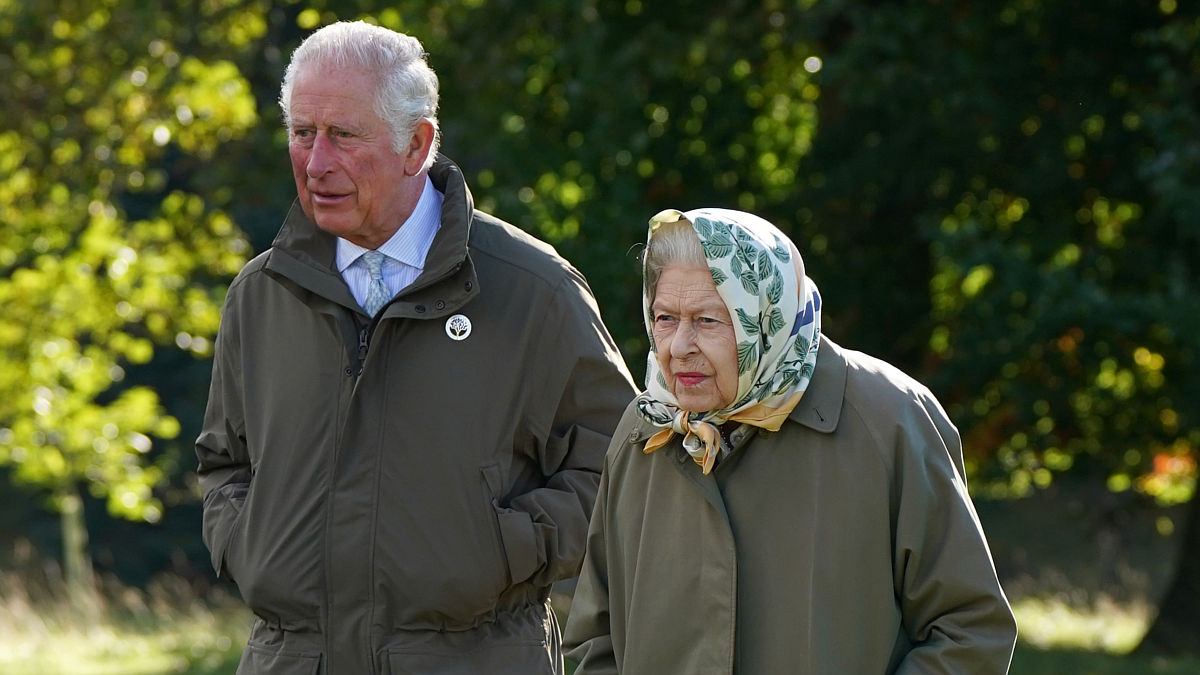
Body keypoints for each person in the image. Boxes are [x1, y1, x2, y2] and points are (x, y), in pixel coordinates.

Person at [194, 21, 636, 674]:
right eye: (301, 132)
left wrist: (502, 548)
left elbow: (619, 463)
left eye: (342, 135)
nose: (315, 163)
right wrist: (249, 545)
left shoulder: (531, 289)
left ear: (417, 144)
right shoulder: (261, 294)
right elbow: (224, 462)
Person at [563, 208, 1018, 674]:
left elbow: (969, 632)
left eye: (707, 321)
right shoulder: (645, 429)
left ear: (764, 318)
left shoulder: (889, 420)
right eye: (665, 318)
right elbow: (596, 641)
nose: (679, 346)